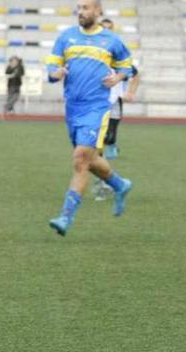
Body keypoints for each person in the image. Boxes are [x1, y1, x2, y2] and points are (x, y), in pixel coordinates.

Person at [46, 0, 133, 236]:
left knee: (80, 158)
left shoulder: (112, 41)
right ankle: (120, 185)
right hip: (73, 108)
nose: (81, 12)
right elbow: (51, 71)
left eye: (86, 7)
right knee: (90, 160)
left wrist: (119, 78)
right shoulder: (66, 37)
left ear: (98, 11)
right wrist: (57, 73)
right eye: (79, 8)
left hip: (97, 107)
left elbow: (128, 67)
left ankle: (66, 216)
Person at [92, 17, 141, 201]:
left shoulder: (118, 55)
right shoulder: (92, 53)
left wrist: (130, 92)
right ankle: (106, 181)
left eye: (109, 29)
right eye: (103, 28)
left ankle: (105, 183)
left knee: (107, 139)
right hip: (94, 104)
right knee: (96, 143)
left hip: (113, 103)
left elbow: (135, 75)